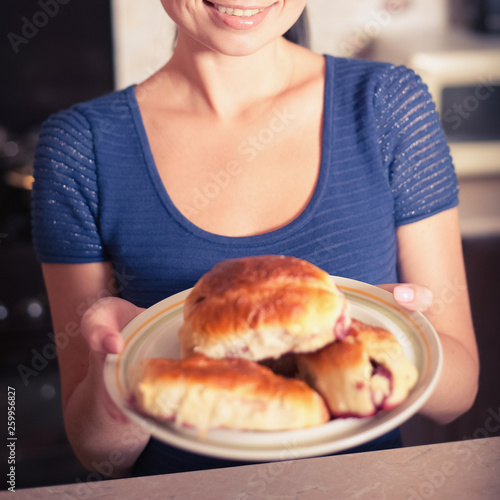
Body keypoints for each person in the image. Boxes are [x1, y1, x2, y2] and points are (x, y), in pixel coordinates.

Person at [31, 1, 478, 479]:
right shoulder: (78, 147)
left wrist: (393, 339)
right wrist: (118, 373)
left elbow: (459, 394)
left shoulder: (389, 103)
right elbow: (97, 454)